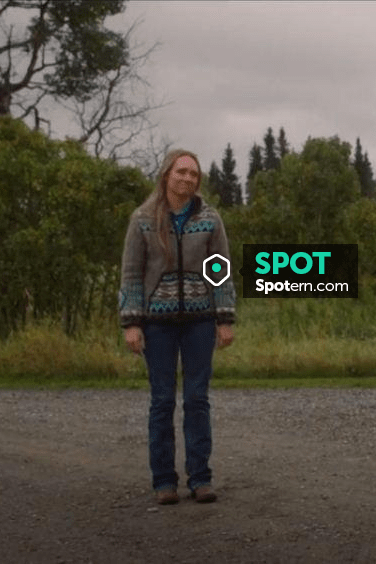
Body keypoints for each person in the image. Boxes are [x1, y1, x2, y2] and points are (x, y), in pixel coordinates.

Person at [118, 149, 236, 505]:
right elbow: (131, 274)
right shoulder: (142, 219)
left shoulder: (210, 219)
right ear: (167, 174)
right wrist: (131, 322)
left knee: (197, 399)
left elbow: (220, 269)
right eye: (181, 172)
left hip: (200, 321)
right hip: (157, 324)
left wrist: (225, 318)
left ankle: (200, 478)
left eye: (193, 174)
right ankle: (164, 481)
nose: (187, 178)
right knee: (162, 401)